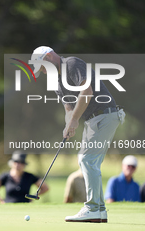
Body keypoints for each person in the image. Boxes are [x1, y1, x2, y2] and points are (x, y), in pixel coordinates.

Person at [30, 46, 125, 223]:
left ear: (49, 57)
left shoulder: (71, 64)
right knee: (89, 162)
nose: (43, 72)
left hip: (105, 115)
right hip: (93, 121)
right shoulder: (57, 82)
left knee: (87, 160)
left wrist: (74, 120)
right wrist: (69, 124)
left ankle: (92, 208)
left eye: (42, 67)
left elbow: (86, 91)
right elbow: (68, 107)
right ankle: (100, 210)